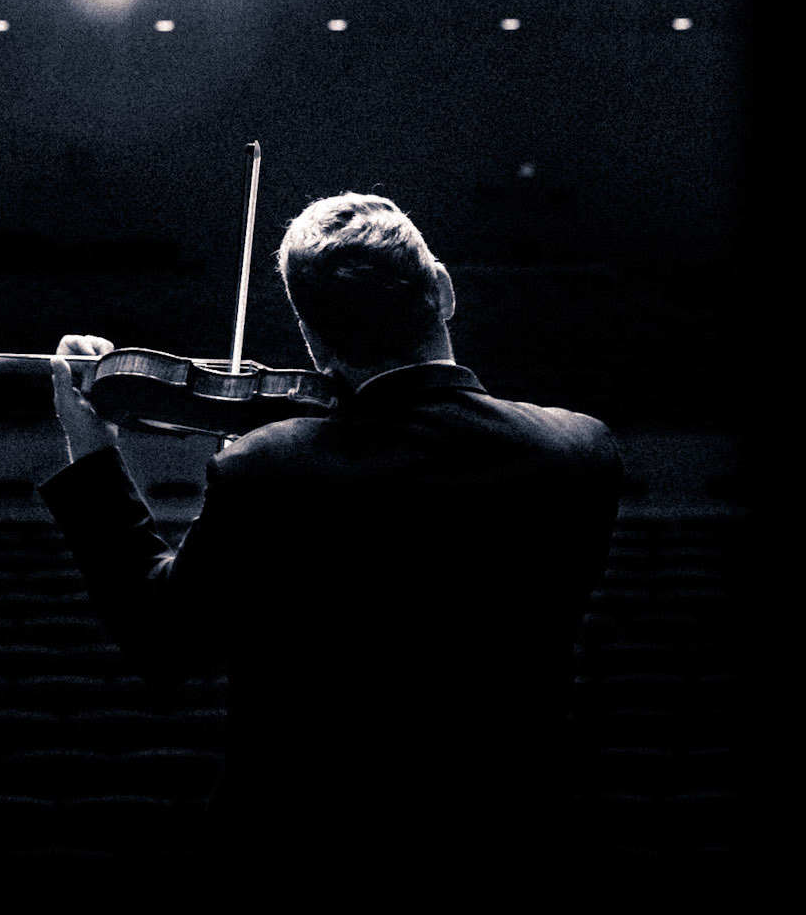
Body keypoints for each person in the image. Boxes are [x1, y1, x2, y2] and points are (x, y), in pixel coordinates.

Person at [40, 190, 623, 886]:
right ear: (441, 290)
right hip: (508, 846)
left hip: (302, 853)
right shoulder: (578, 453)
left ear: (311, 336)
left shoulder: (266, 468)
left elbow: (161, 640)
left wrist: (92, 450)